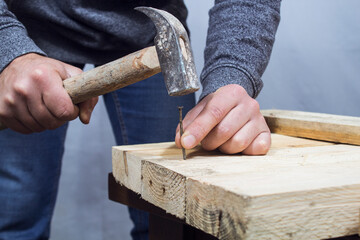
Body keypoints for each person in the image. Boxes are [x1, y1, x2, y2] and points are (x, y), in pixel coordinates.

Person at [0, 0, 281, 239]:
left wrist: (231, 76)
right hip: (28, 32)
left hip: (150, 39)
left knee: (173, 218)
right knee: (15, 222)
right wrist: (8, 50)